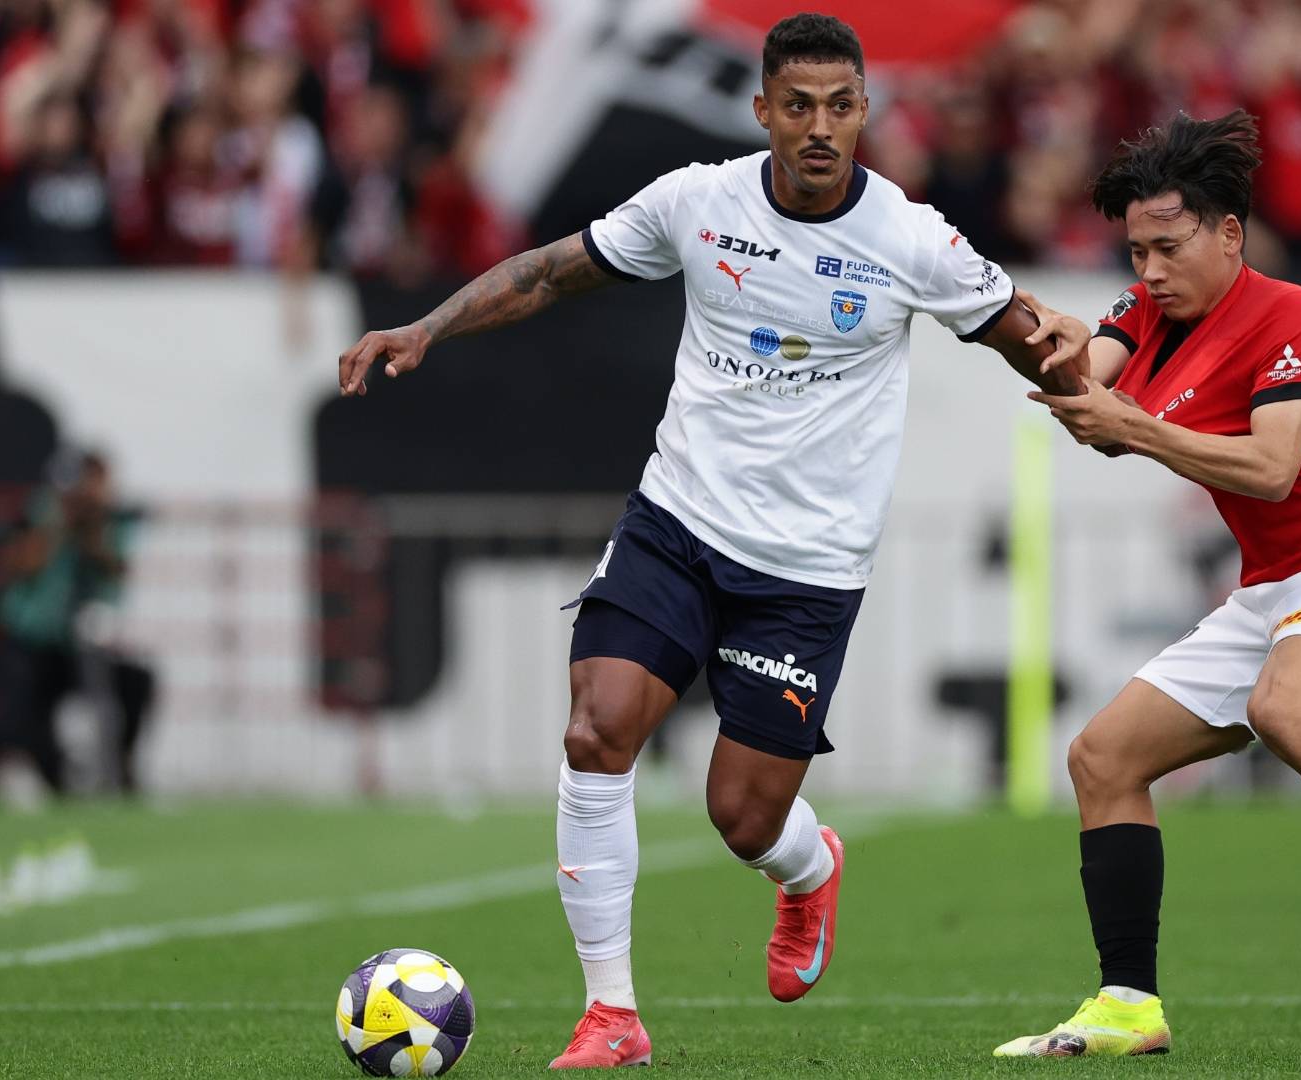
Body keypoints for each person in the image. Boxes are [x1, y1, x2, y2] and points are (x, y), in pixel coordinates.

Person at [334, 13, 1086, 1070]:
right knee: (597, 729)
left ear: (863, 111)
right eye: (799, 106)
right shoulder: (697, 201)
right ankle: (612, 1015)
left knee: (742, 817)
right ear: (763, 109)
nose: (819, 128)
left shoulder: (912, 239)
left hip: (807, 571)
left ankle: (810, 870)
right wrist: (428, 326)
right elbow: (550, 273)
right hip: (677, 523)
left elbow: (1032, 339)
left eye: (840, 107)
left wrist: (1113, 398)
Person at [994, 111, 1301, 1058]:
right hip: (1270, 589)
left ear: (1230, 233)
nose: (1149, 272)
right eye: (1136, 253)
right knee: (1102, 759)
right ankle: (1128, 1006)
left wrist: (1129, 425)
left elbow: (1270, 468)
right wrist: (1028, 332)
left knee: (1285, 708)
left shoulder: (1297, 315)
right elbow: (1082, 386)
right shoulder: (1147, 313)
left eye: (1168, 248)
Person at [0, 450, 155, 795]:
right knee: (18, 705)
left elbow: (114, 577)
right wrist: (60, 525)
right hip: (30, 644)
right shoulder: (42, 512)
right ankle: (50, 776)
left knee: (136, 683)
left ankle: (121, 772)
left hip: (79, 647)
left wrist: (93, 533)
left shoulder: (105, 526)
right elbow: (22, 566)